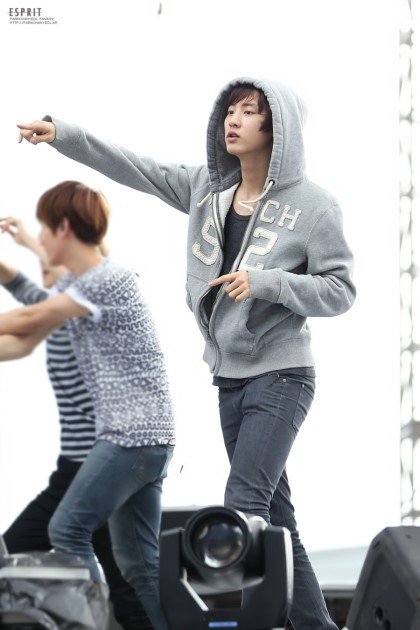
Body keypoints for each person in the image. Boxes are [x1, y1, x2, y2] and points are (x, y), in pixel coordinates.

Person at [16, 78, 356, 629]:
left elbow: (340, 291)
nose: (234, 120)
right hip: (230, 379)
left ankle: (249, 624)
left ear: (279, 128)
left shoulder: (314, 207)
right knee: (276, 519)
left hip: (283, 375)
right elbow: (137, 168)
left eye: (250, 111)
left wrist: (267, 282)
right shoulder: (206, 190)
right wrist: (64, 135)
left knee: (244, 505)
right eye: (231, 110)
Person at [0, 181, 175, 630]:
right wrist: (26, 250)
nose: (39, 238)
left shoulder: (105, 280)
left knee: (66, 531)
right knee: (138, 567)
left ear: (62, 228)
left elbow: (29, 315)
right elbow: (27, 329)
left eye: (43, 229)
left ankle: (88, 622)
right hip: (146, 441)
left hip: (128, 439)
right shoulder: (81, 286)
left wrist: (26, 249)